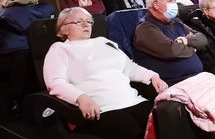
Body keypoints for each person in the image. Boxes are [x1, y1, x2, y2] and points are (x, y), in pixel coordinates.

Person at [43, 7, 167, 139]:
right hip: (102, 108)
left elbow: (129, 67)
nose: (86, 24)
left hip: (133, 100)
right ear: (64, 28)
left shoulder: (104, 42)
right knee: (133, 132)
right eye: (79, 21)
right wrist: (81, 97)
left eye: (89, 21)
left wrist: (152, 76)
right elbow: (55, 82)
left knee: (166, 123)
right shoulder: (61, 49)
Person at [132, 0, 206, 86]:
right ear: (156, 4)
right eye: (171, 0)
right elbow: (172, 50)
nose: (175, 5)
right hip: (175, 83)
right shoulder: (145, 28)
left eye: (175, 1)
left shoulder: (176, 21)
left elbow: (202, 38)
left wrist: (185, 41)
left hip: (196, 78)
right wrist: (193, 48)